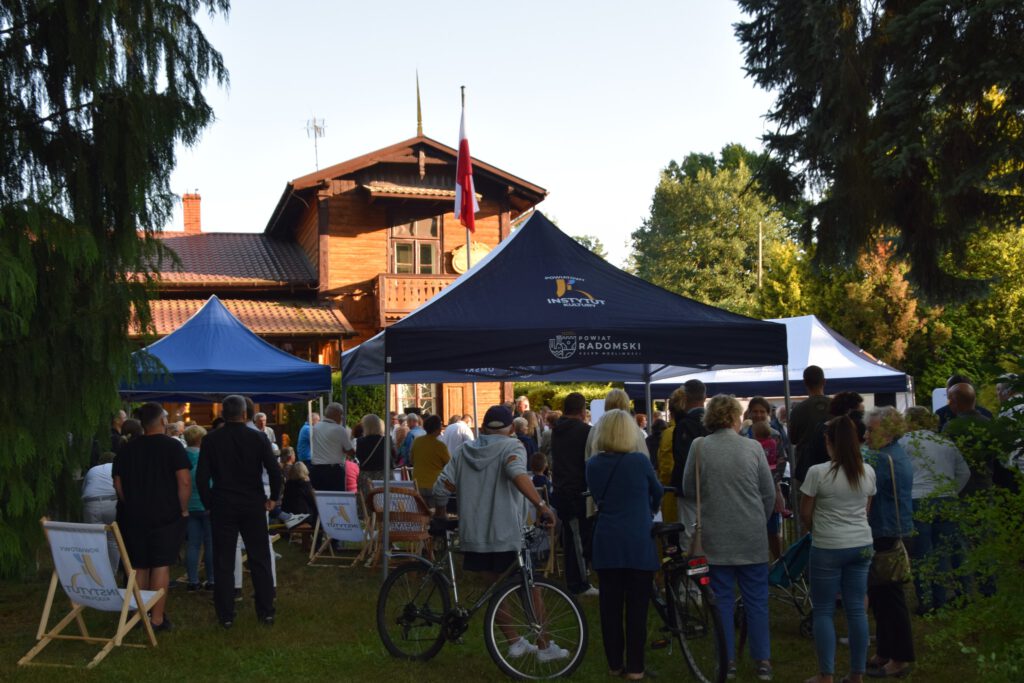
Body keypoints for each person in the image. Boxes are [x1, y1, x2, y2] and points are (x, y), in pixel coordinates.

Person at [433, 405, 563, 661]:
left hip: (474, 534)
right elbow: (516, 473)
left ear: (482, 428)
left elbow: (440, 488)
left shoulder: (463, 451)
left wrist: (440, 515)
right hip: (506, 533)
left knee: (495, 588)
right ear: (512, 428)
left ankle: (514, 642)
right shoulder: (512, 447)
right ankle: (545, 646)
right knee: (531, 589)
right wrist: (541, 505)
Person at [682, 394, 776, 681]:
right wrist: (758, 518)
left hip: (715, 534)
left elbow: (688, 488)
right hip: (751, 534)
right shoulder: (753, 447)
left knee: (721, 600)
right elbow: (768, 493)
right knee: (757, 599)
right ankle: (762, 660)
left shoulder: (699, 447)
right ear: (736, 417)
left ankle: (727, 661)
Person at [587, 410, 663, 681]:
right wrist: (648, 509)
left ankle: (614, 663)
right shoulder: (639, 461)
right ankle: (635, 667)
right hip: (637, 540)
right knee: (637, 608)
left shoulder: (593, 464)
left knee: (610, 607)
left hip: (607, 540)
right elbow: (657, 492)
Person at [800, 416, 876, 683]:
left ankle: (826, 675)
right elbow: (866, 510)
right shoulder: (867, 471)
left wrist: (816, 529)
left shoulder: (818, 472)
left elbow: (805, 513)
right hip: (861, 543)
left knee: (823, 610)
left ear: (828, 441)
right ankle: (857, 674)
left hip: (828, 545)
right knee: (857, 609)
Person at [197, 394, 282, 628]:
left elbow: (202, 477)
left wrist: (208, 503)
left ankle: (225, 614)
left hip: (223, 503)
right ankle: (266, 611)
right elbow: (274, 470)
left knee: (223, 560)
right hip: (252, 503)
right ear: (245, 414)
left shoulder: (211, 440)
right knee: (260, 557)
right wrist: (273, 498)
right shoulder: (258, 438)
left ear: (222, 414)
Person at [112, 402, 191, 632]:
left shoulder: (127, 449)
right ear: (163, 421)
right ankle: (156, 618)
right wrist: (183, 508)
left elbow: (118, 484)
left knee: (139, 565)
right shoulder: (173, 447)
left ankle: (139, 615)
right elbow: (184, 481)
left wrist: (130, 502)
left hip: (134, 514)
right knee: (160, 564)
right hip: (166, 513)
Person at [899, 406, 969, 613]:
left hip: (918, 499)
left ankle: (927, 601)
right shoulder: (945, 442)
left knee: (922, 553)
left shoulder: (904, 442)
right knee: (947, 549)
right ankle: (954, 595)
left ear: (909, 422)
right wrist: (951, 491)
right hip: (947, 499)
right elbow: (964, 472)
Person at [862, 407, 915, 678]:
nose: (866, 435)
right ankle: (885, 650)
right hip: (890, 527)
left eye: (870, 430)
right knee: (881, 595)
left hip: (884, 528)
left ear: (888, 431)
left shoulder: (881, 459)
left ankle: (900, 657)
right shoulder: (896, 453)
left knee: (890, 597)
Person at [550, 392, 598, 597]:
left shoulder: (556, 430)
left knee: (572, 537)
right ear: (582, 410)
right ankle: (579, 584)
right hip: (577, 490)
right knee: (578, 538)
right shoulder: (585, 431)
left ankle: (578, 576)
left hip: (561, 488)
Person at [665, 380, 708, 544]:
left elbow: (682, 459)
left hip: (688, 490)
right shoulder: (713, 422)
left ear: (685, 397)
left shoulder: (684, 425)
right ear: (704, 397)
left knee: (690, 538)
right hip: (712, 488)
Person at [183, 424, 214, 591]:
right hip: (207, 503)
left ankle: (192, 581)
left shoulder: (182, 457)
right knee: (210, 544)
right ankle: (212, 580)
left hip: (188, 505)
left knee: (193, 545)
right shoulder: (207, 456)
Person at [790, 365, 831, 481]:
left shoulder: (798, 410)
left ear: (805, 383)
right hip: (832, 468)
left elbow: (793, 439)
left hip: (806, 469)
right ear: (824, 381)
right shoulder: (837, 406)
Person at [81, 451, 120, 574]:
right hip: (112, 503)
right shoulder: (117, 468)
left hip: (91, 504)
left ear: (100, 462)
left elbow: (84, 489)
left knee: (94, 540)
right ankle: (111, 574)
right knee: (113, 540)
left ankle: (95, 574)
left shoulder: (92, 470)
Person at [585, 388, 649, 461]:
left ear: (606, 406)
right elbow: (644, 457)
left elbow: (588, 457)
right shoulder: (634, 430)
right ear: (626, 406)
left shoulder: (596, 429)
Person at [309, 402, 354, 491]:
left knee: (319, 498)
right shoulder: (339, 429)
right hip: (333, 472)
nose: (342, 418)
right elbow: (350, 451)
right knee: (336, 498)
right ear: (336, 415)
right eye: (341, 415)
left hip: (316, 470)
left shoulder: (316, 427)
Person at [411, 415, 450, 510]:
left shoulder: (417, 441)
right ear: (437, 428)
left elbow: (411, 460)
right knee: (436, 513)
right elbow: (449, 464)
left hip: (418, 483)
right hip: (434, 484)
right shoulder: (440, 446)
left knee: (421, 514)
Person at [355, 414, 393, 484]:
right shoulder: (387, 439)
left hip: (367, 475)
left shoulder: (360, 441)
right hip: (385, 474)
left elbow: (359, 457)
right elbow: (393, 455)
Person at [281, 462, 317, 529]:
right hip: (303, 516)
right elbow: (313, 501)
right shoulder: (305, 484)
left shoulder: (288, 484)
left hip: (288, 515)